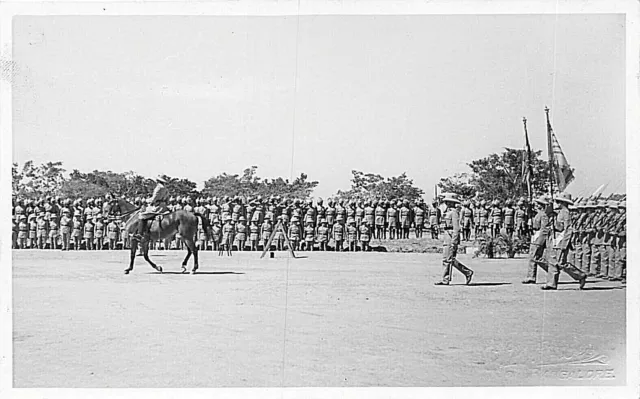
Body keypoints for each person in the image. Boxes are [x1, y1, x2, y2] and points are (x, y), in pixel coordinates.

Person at [541, 193, 587, 290]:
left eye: (559, 201)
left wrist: (565, 243)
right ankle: (551, 283)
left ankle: (580, 275)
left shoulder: (565, 213)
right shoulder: (560, 212)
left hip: (561, 240)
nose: (557, 203)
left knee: (561, 263)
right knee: (553, 261)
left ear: (562, 202)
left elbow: (568, 229)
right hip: (556, 239)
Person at [435, 193, 474, 286]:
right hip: (447, 235)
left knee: (448, 259)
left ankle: (446, 279)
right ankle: (467, 272)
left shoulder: (454, 213)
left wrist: (454, 241)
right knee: (448, 259)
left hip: (451, 236)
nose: (446, 203)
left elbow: (456, 228)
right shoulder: (447, 212)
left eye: (448, 202)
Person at [522, 196, 550, 284]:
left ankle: (551, 269)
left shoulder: (544, 215)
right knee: (532, 257)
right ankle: (531, 276)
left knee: (536, 257)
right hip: (535, 236)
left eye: (538, 204)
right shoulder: (538, 214)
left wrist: (540, 241)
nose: (536, 205)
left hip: (539, 237)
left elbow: (544, 229)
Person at [135, 176, 170, 241]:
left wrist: (145, 200)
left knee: (142, 215)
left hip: (157, 207)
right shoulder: (165, 189)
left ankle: (140, 233)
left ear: (158, 181)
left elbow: (153, 199)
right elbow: (167, 200)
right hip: (164, 207)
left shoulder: (158, 188)